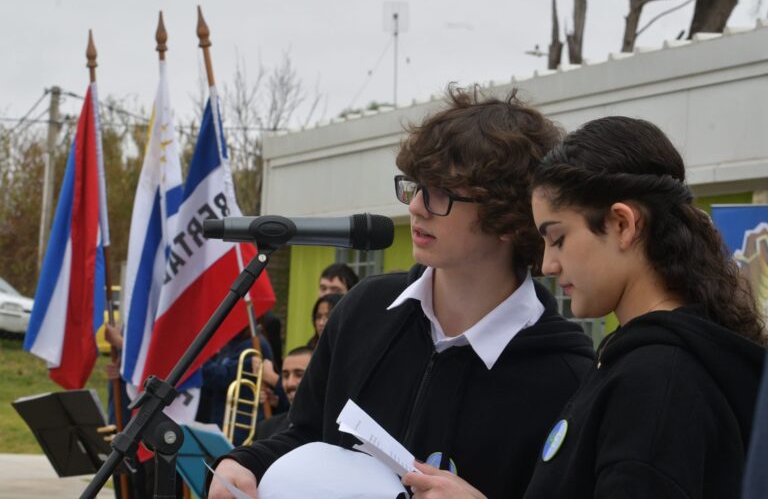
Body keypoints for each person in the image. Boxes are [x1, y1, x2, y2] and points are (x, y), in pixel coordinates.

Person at [208, 85, 595, 499]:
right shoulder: (364, 309)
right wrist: (246, 462)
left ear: (510, 220)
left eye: (442, 193)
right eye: (415, 186)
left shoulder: (567, 375)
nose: (416, 207)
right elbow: (303, 433)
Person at [403, 116, 766, 498]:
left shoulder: (657, 382)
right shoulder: (659, 361)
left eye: (557, 238)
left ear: (623, 225)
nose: (547, 265)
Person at [255, 346, 314, 440]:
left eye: (299, 375)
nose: (290, 383)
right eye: (285, 376)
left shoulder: (336, 430)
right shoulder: (266, 428)